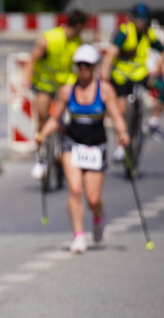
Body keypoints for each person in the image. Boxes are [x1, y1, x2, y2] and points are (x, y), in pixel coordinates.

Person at [36, 44, 130, 254]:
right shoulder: (67, 91)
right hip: (72, 143)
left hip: (96, 146)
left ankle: (98, 215)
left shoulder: (105, 90)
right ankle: (78, 235)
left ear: (95, 66)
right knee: (75, 190)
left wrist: (123, 133)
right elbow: (55, 118)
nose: (83, 68)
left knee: (93, 198)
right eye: (80, 65)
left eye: (87, 65)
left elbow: (116, 118)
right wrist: (42, 134)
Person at [23, 9, 89, 180]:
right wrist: (26, 81)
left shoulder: (77, 41)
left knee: (68, 118)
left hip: (64, 85)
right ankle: (40, 158)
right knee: (42, 117)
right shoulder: (49, 39)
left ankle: (64, 147)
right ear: (80, 26)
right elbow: (32, 59)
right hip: (44, 83)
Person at [100, 2, 164, 163]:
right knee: (121, 111)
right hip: (121, 76)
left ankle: (153, 122)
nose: (141, 23)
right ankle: (120, 147)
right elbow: (111, 52)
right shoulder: (125, 32)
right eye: (138, 19)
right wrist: (105, 69)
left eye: (144, 20)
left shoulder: (149, 34)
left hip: (140, 74)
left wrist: (158, 67)